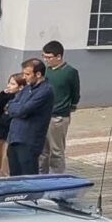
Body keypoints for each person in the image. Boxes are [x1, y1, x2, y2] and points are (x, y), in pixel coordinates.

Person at [7, 58, 53, 176]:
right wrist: (16, 108)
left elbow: (24, 110)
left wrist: (17, 109)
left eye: (27, 74)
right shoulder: (27, 88)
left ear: (38, 74)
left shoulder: (45, 91)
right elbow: (11, 105)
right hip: (14, 137)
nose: (24, 77)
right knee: (14, 175)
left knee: (28, 176)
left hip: (28, 140)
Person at [40, 41, 80, 174]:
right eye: (44, 56)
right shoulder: (45, 71)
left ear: (59, 57)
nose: (46, 60)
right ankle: (41, 176)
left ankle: (57, 177)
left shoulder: (70, 72)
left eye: (49, 57)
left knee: (56, 150)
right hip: (44, 115)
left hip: (58, 117)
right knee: (42, 150)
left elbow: (75, 93)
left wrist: (70, 107)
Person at [0, 74, 25, 179]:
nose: (9, 86)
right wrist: (2, 97)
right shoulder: (5, 95)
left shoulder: (22, 100)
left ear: (21, 87)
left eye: (13, 84)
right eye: (9, 82)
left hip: (10, 137)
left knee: (5, 168)